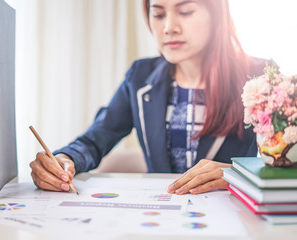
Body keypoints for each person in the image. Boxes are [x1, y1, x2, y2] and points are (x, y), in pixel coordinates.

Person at [30, 0, 267, 195]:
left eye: (185, 11)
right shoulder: (140, 77)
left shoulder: (260, 76)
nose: (169, 27)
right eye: (158, 14)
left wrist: (237, 174)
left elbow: (289, 162)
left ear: (217, 14)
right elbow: (94, 140)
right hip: (162, 218)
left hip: (232, 220)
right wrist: (64, 159)